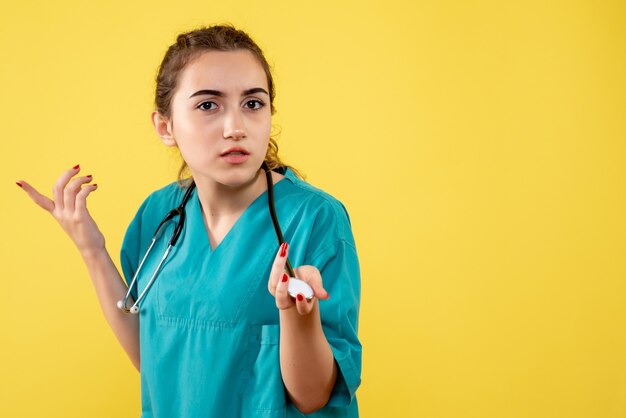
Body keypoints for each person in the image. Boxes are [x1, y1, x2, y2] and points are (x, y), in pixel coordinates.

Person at [17, 24, 361, 417]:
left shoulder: (314, 219)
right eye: (208, 105)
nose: (236, 128)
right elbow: (154, 359)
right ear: (165, 127)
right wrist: (91, 249)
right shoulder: (159, 215)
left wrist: (298, 316)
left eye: (253, 104)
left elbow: (313, 396)